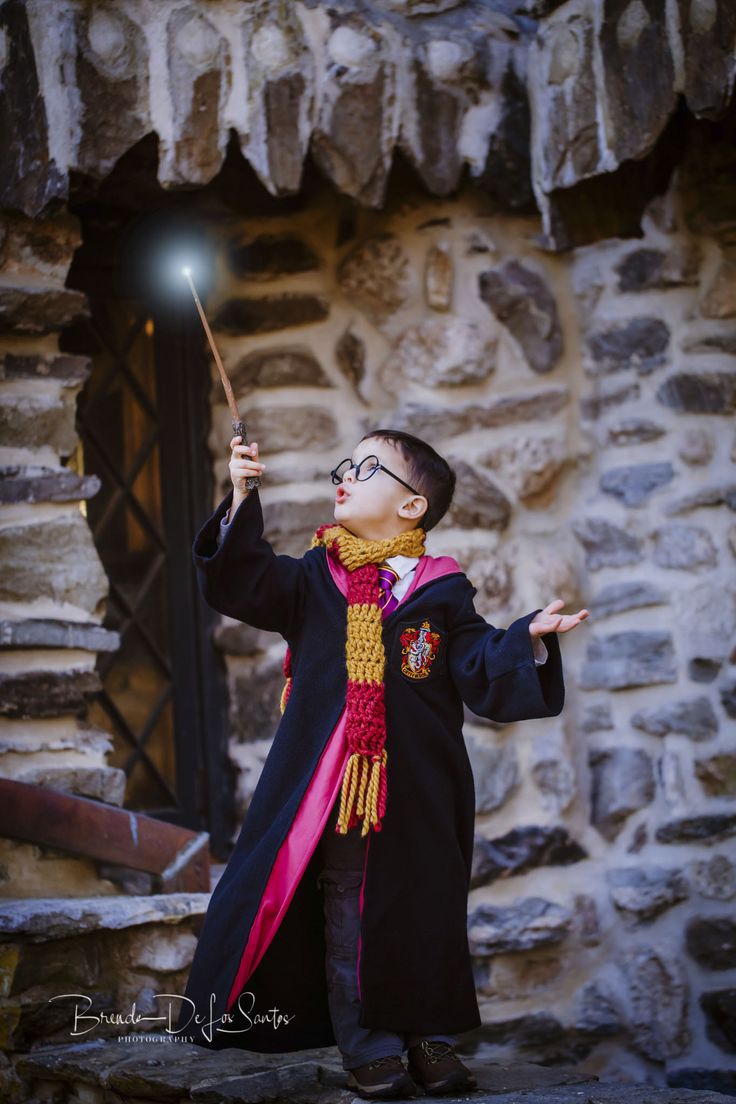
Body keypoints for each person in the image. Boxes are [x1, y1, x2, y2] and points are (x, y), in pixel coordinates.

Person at [176, 428, 589, 1099]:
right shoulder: (313, 579)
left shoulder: (443, 592)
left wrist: (528, 640)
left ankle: (430, 1040)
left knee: (427, 910)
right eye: (347, 464)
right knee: (348, 912)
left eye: (369, 468)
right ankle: (368, 1046)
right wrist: (241, 493)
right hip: (336, 791)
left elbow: (479, 663)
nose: (347, 473)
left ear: (411, 507)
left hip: (421, 791)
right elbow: (244, 579)